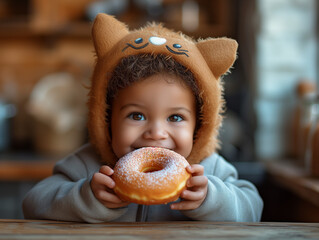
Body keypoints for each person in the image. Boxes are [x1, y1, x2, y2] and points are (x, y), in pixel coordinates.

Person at [23, 13, 263, 223]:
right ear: (106, 119)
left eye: (176, 118)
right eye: (136, 115)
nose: (156, 133)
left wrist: (212, 198)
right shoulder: (88, 165)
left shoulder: (208, 170)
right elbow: (33, 204)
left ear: (199, 126)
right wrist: (86, 198)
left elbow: (253, 209)